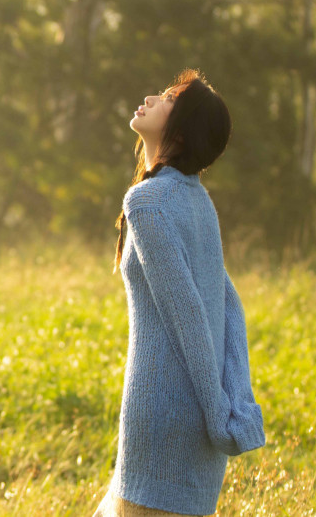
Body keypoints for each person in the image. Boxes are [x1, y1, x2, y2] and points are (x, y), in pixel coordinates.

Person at [95, 69, 265, 516]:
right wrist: (225, 408)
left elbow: (188, 314)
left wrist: (217, 412)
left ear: (183, 132)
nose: (151, 97)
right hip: (196, 425)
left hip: (164, 421)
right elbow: (229, 307)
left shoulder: (147, 202)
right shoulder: (197, 201)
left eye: (169, 98)